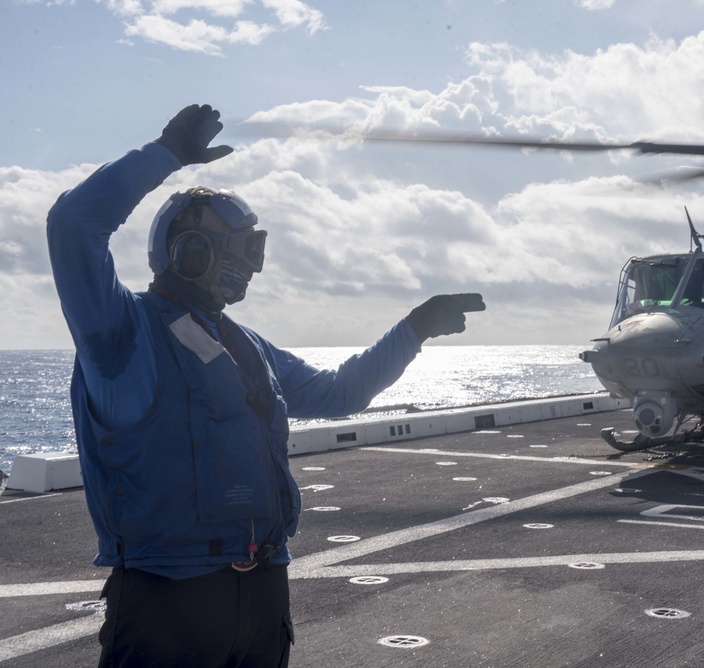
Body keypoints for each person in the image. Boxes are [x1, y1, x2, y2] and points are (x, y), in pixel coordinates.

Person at [46, 104, 486, 667]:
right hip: (169, 603)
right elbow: (73, 226)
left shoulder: (247, 346)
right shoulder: (121, 334)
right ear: (191, 251)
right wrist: (167, 154)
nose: (252, 267)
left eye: (258, 250)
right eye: (243, 250)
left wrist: (414, 328)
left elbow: (339, 393)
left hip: (262, 592)